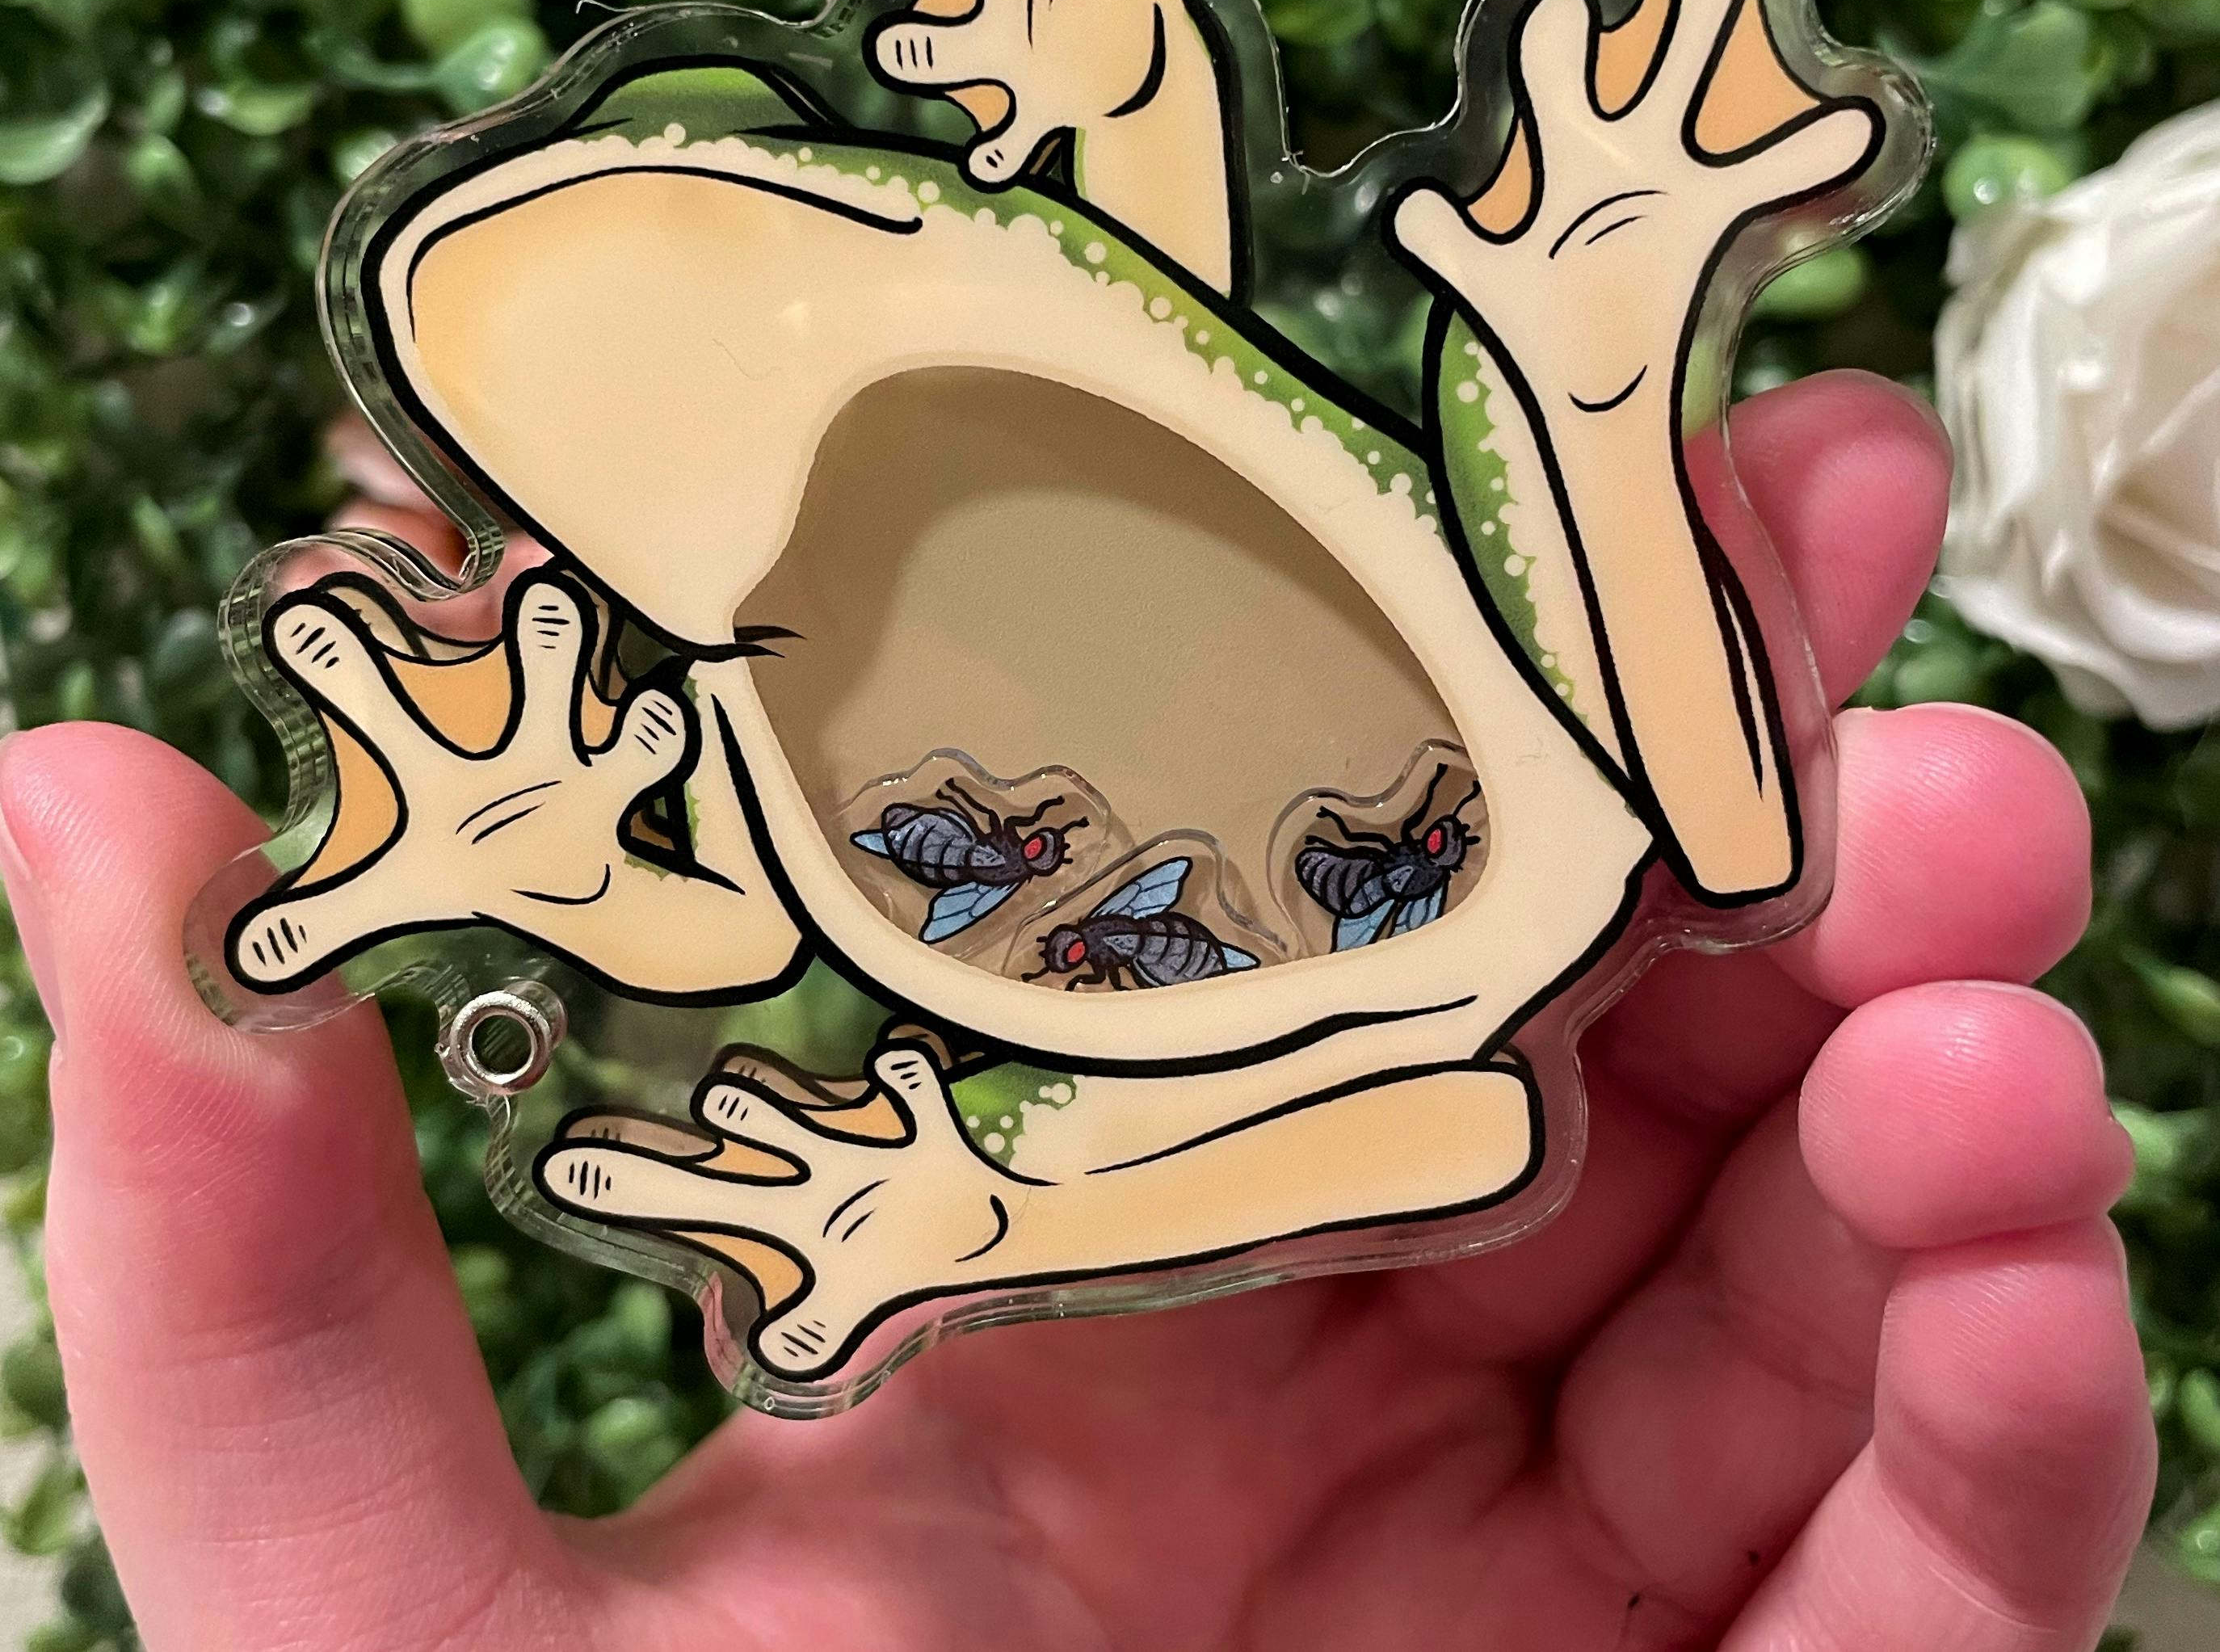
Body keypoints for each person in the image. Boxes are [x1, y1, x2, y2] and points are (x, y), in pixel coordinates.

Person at [0, 364, 2156, 1649]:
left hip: (1485, 815)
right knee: (1528, 1052)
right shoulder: (739, 662)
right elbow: (720, 927)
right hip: (1385, 924)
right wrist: (547, 859)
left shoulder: (984, 350)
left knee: (1645, 958)